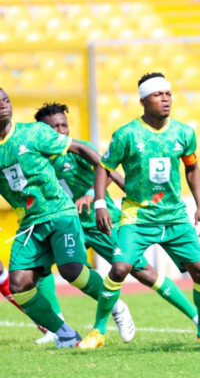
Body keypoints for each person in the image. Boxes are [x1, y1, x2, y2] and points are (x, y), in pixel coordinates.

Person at [35, 102, 200, 344]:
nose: (60, 131)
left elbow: (106, 170)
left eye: (63, 125)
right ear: (41, 131)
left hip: (99, 222)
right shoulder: (36, 158)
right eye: (53, 128)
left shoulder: (77, 149)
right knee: (40, 265)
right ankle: (57, 328)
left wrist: (92, 196)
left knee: (144, 273)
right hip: (67, 225)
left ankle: (198, 319)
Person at [78, 72, 200, 349]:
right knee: (120, 268)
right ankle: (98, 332)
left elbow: (192, 168)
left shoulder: (183, 132)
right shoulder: (126, 134)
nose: (165, 99)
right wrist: (101, 203)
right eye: (157, 95)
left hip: (174, 216)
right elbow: (104, 168)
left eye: (168, 94)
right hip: (137, 216)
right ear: (143, 101)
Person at [0, 87, 133, 348]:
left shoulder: (33, 133)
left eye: (5, 100)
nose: (3, 105)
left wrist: (114, 177)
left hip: (60, 212)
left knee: (71, 271)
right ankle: (66, 334)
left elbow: (80, 148)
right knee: (19, 285)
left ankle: (117, 306)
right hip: (29, 223)